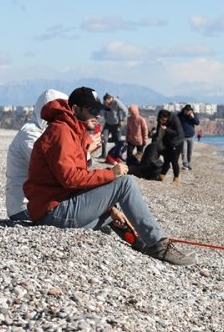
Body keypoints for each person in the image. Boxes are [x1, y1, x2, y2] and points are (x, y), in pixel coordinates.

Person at [23, 86, 195, 266]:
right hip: (52, 212)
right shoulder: (61, 131)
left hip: (53, 209)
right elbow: (70, 179)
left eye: (99, 110)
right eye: (92, 110)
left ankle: (142, 243)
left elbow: (76, 179)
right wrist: (111, 173)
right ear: (75, 109)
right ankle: (158, 245)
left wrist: (109, 208)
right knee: (125, 183)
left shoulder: (71, 130)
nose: (98, 115)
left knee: (111, 215)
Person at [6, 89, 74, 220]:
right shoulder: (30, 134)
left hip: (38, 203)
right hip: (25, 208)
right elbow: (57, 170)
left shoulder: (43, 131)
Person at [154, 108, 185, 185]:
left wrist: (166, 129)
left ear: (167, 117)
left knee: (174, 161)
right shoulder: (160, 120)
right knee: (166, 159)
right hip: (167, 142)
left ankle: (176, 179)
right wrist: (156, 140)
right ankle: (162, 176)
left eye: (164, 120)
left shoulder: (175, 119)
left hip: (177, 142)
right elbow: (158, 131)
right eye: (161, 120)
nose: (162, 122)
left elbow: (178, 133)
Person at [100, 93, 128, 157]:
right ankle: (103, 154)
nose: (106, 103)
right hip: (108, 123)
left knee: (117, 140)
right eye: (104, 102)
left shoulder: (117, 102)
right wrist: (105, 117)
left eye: (106, 101)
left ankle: (117, 154)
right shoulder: (105, 103)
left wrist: (122, 120)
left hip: (116, 124)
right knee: (103, 138)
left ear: (109, 99)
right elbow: (103, 111)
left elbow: (125, 111)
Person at [177, 104, 200, 170]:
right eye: (186, 110)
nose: (187, 112)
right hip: (182, 137)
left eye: (189, 111)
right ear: (184, 110)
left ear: (191, 111)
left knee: (190, 151)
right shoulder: (180, 115)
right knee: (184, 152)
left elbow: (197, 123)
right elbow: (175, 123)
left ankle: (188, 163)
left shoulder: (193, 115)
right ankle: (185, 165)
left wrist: (192, 117)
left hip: (191, 136)